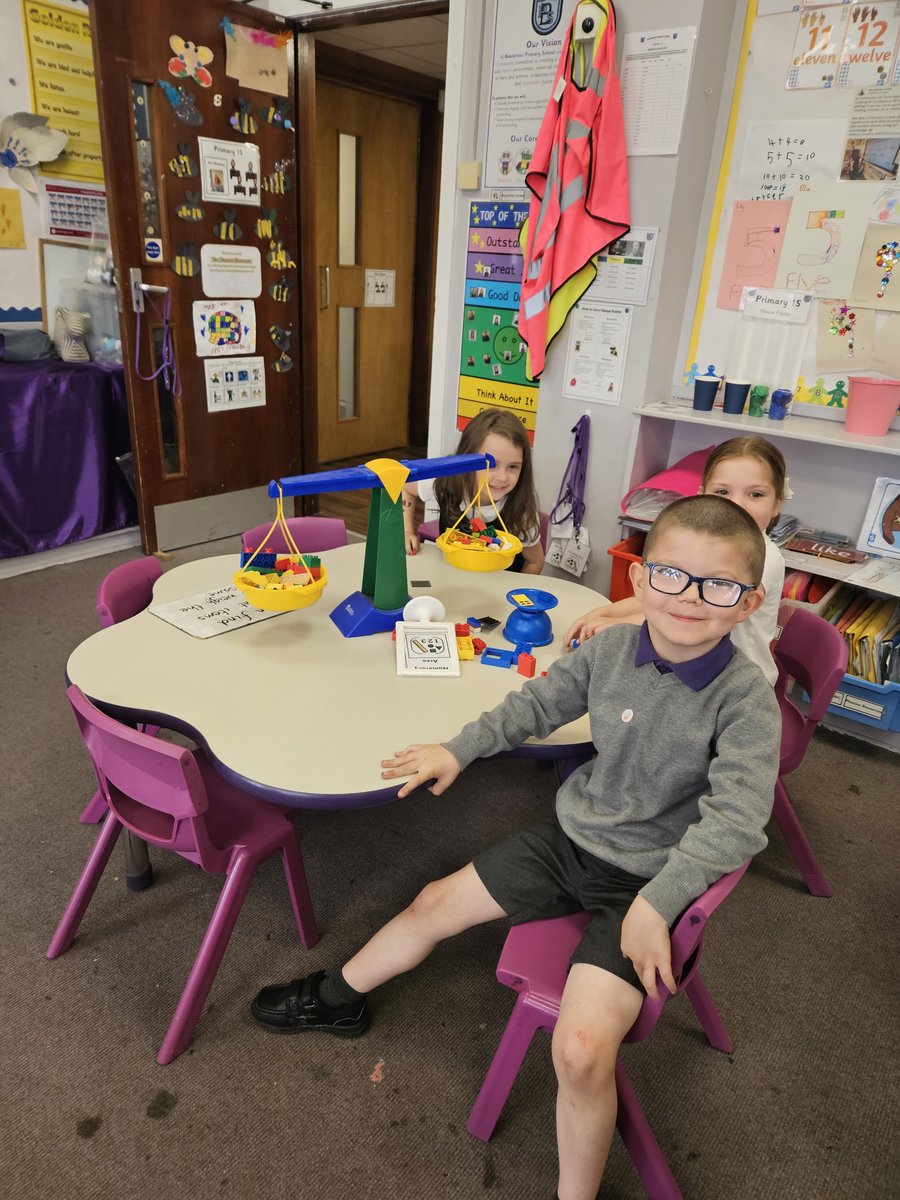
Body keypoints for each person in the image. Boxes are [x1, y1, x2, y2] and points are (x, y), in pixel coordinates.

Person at [250, 495, 781, 1200]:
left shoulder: (746, 700)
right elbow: (534, 706)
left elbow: (739, 821)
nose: (689, 598)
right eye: (670, 576)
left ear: (750, 602)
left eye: (718, 585)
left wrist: (657, 902)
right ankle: (338, 997)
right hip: (573, 841)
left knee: (582, 1051)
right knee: (434, 901)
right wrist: (458, 750)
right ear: (641, 580)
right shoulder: (615, 649)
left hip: (649, 885)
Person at [565, 435, 789, 684]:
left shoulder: (765, 558)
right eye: (723, 491)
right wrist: (602, 613)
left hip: (732, 683)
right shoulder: (702, 547)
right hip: (687, 663)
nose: (737, 504)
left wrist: (615, 628)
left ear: (777, 503)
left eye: (755, 494)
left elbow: (691, 612)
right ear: (701, 494)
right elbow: (667, 597)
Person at [402, 408, 545, 574]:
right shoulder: (446, 481)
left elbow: (535, 561)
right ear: (466, 459)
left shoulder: (521, 512)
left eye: (513, 466)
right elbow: (406, 485)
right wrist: (407, 532)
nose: (502, 477)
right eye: (490, 465)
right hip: (455, 581)